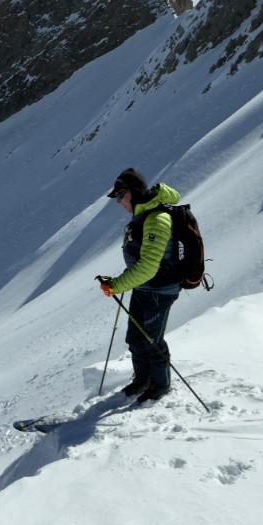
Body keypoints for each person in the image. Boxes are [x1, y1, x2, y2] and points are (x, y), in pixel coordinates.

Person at [96, 168, 183, 402]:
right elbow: (140, 261)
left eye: (120, 195)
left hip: (160, 290)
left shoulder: (157, 219)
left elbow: (148, 267)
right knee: (135, 339)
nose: (118, 202)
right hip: (143, 287)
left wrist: (116, 286)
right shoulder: (143, 217)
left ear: (132, 192)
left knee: (152, 340)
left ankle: (160, 384)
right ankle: (143, 380)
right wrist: (119, 281)